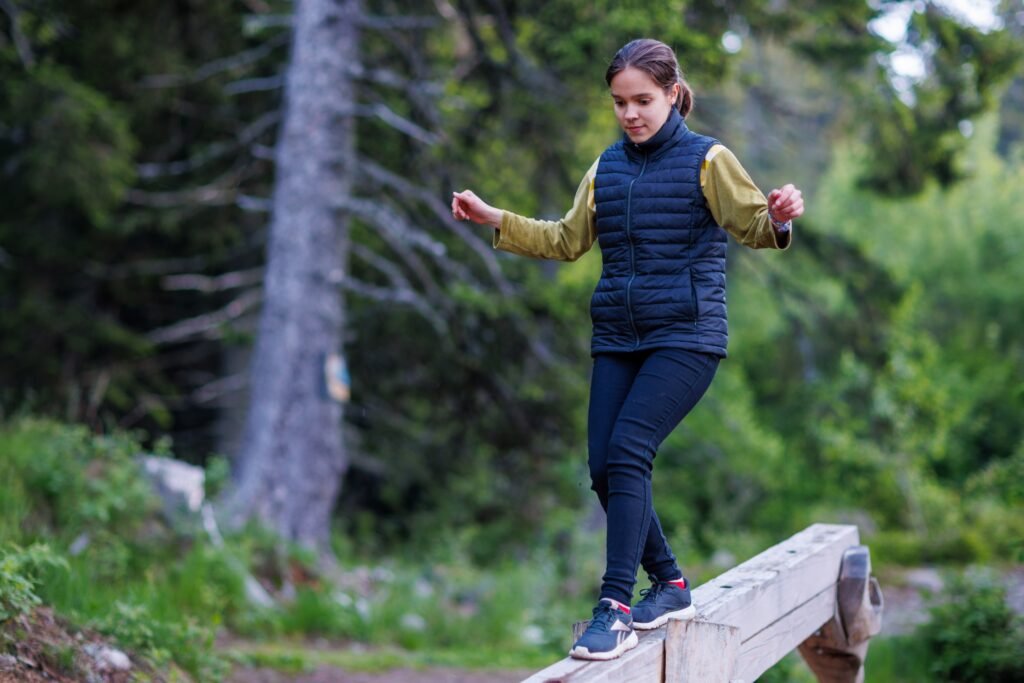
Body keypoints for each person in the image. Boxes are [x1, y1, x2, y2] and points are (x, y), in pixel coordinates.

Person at [451, 38, 804, 661]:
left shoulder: (708, 159)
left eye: (643, 100)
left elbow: (753, 225)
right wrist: (494, 217)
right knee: (603, 468)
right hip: (618, 334)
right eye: (620, 102)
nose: (631, 113)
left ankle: (614, 606)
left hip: (687, 336)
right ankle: (669, 584)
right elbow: (565, 239)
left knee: (630, 448)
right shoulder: (605, 168)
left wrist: (778, 215)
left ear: (672, 94)